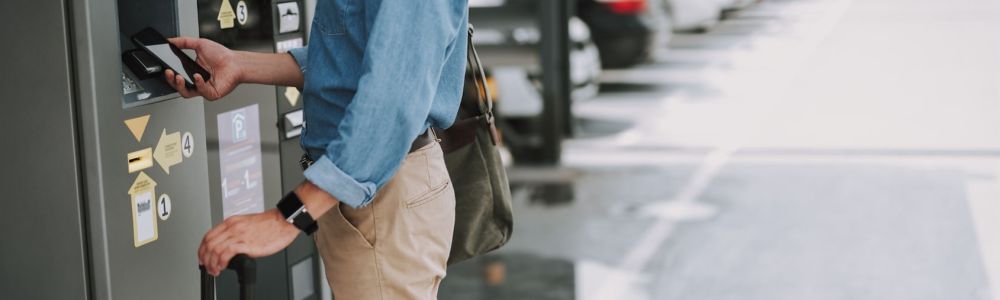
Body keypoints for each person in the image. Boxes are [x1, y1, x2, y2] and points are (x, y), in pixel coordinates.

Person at [164, 1, 469, 298]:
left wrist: (284, 219)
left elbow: (393, 100)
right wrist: (240, 65)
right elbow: (350, 61)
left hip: (379, 185)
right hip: (364, 186)